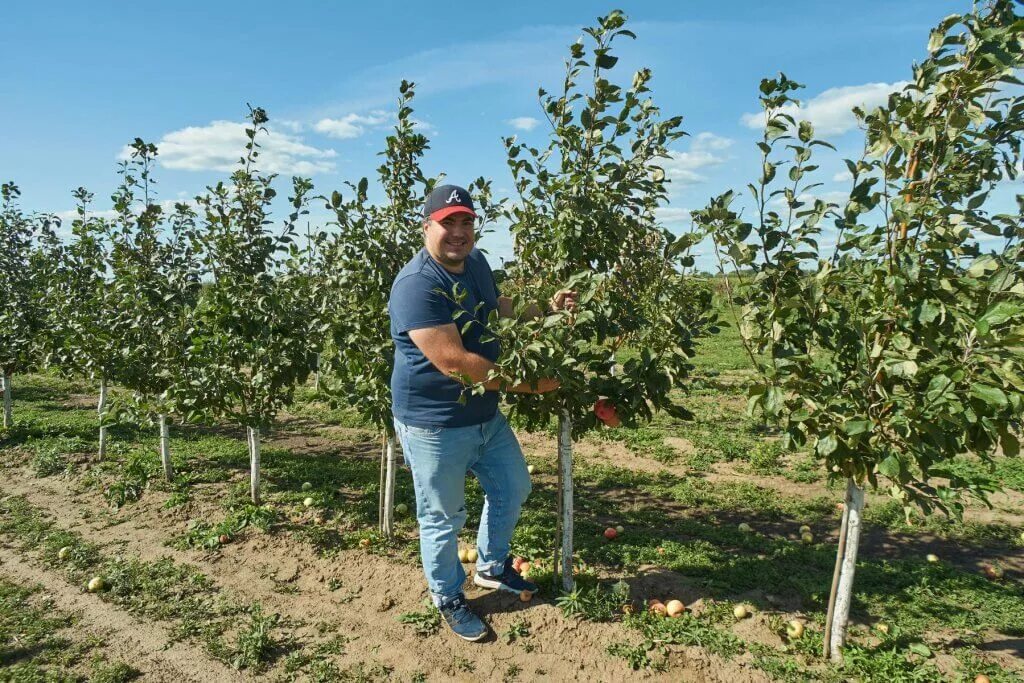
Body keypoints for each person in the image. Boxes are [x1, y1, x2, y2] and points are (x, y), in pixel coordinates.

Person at [389, 183, 574, 641]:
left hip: (484, 413)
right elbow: (454, 362)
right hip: (434, 422)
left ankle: (491, 565)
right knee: (442, 517)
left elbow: (498, 310)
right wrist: (532, 385)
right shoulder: (417, 285)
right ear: (426, 226)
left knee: (513, 485)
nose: (458, 231)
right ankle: (448, 596)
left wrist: (545, 312)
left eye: (466, 222)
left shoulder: (475, 263)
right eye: (447, 222)